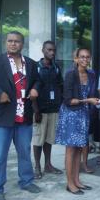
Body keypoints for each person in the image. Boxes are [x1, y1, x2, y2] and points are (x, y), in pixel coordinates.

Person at [0, 31, 41, 200]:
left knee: (25, 152)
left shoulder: (32, 64)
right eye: (10, 41)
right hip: (2, 118)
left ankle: (26, 181)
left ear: (22, 44)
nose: (13, 44)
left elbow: (37, 80)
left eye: (17, 41)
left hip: (24, 117)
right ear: (6, 42)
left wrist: (36, 88)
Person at [55, 48, 100, 195]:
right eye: (82, 57)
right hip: (71, 114)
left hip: (84, 114)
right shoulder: (70, 74)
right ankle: (70, 183)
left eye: (87, 57)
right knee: (71, 149)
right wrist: (88, 100)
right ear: (76, 59)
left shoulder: (91, 75)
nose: (85, 60)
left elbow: (92, 94)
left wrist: (96, 101)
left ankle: (77, 180)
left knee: (80, 148)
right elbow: (68, 100)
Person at [32, 41, 63, 180]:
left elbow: (60, 86)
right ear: (43, 50)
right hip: (40, 110)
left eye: (54, 50)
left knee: (49, 139)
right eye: (49, 50)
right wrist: (36, 111)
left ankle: (48, 165)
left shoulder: (56, 68)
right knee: (39, 139)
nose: (52, 52)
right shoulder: (35, 67)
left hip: (53, 109)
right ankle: (37, 166)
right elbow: (31, 90)